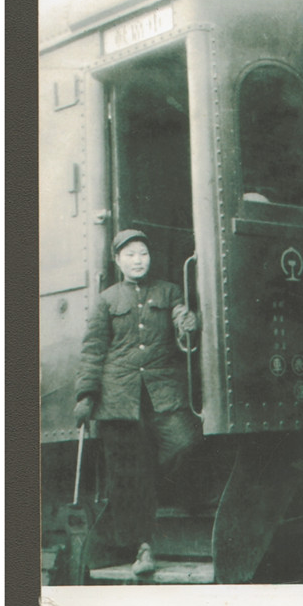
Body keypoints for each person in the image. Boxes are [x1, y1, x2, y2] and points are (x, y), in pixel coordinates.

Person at [73, 229, 202, 576]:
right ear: (118, 261)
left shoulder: (169, 291)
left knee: (185, 441)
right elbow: (93, 350)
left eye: (143, 253)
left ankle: (168, 495)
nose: (138, 260)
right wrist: (86, 395)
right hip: (119, 398)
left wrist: (187, 322)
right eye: (130, 255)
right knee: (130, 471)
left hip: (162, 391)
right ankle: (143, 547)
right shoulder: (106, 300)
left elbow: (181, 316)